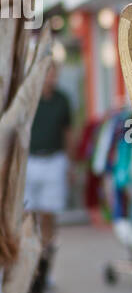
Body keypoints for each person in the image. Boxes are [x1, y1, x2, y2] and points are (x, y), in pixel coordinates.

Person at [25, 61, 73, 271]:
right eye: (47, 74)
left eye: (53, 74)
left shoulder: (62, 100)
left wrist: (71, 164)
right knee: (28, 214)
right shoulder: (30, 99)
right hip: (31, 160)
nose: (50, 79)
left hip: (54, 160)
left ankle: (45, 265)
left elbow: (68, 133)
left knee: (49, 214)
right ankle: (30, 262)